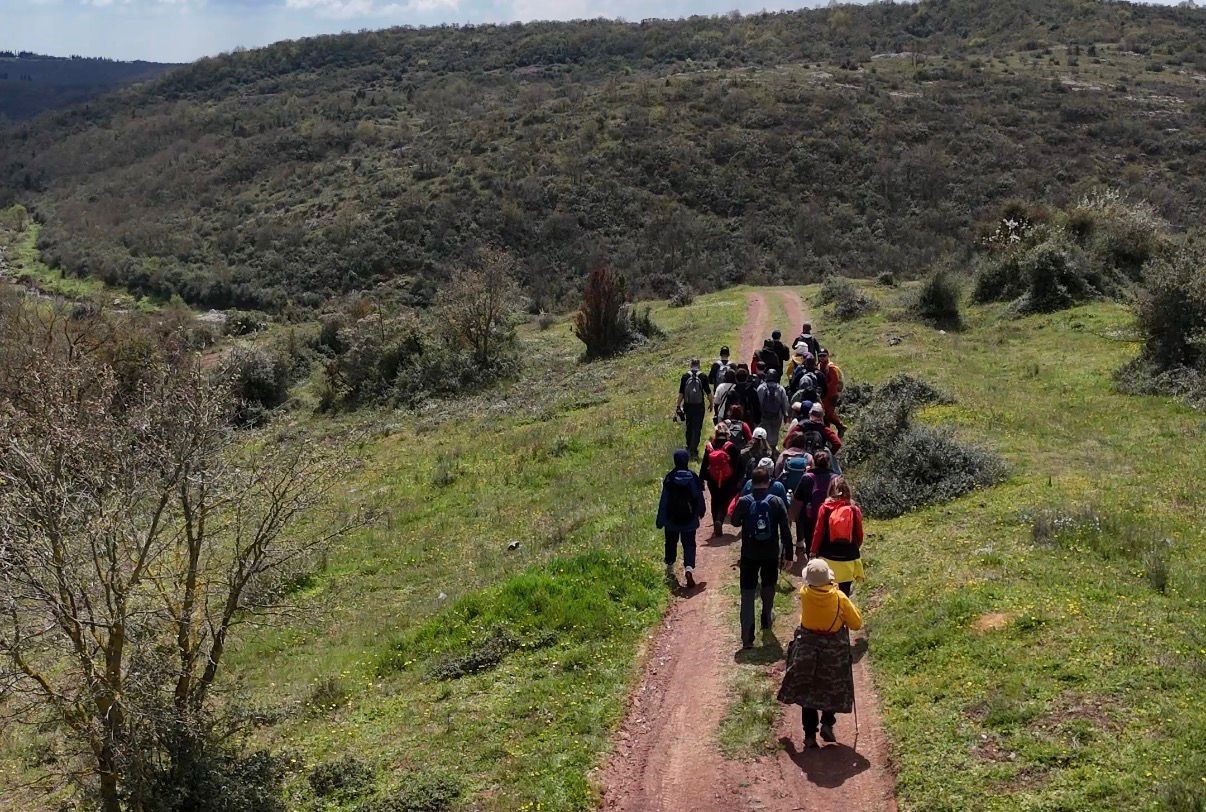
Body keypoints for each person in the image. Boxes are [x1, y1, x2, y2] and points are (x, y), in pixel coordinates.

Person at [777, 558, 863, 749]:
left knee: (808, 690)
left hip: (808, 647)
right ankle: (827, 723)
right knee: (831, 687)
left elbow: (810, 586)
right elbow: (856, 623)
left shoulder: (805, 593)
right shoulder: (839, 597)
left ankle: (809, 735)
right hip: (833, 650)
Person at [728, 468, 794, 649]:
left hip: (749, 554)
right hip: (770, 554)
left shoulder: (744, 501)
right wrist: (789, 554)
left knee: (747, 593)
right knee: (768, 586)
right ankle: (766, 616)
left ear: (752, 482)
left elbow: (734, 521)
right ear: (768, 482)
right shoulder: (776, 501)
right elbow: (786, 531)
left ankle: (747, 639)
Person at [656, 449, 706, 588]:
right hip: (689, 520)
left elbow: (664, 501)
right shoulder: (693, 477)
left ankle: (670, 568)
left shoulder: (670, 478)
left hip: (671, 520)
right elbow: (698, 497)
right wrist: (700, 512)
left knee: (670, 543)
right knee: (689, 544)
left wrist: (660, 520)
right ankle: (689, 568)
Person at [810, 476, 864, 596]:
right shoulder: (854, 509)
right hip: (848, 556)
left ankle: (829, 612)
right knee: (844, 592)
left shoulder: (825, 508)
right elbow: (859, 534)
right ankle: (842, 612)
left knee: (827, 591)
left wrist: (813, 551)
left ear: (830, 490)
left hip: (827, 555)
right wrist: (856, 547)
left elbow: (818, 532)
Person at [789, 449, 834, 551]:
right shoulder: (835, 478)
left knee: (811, 547)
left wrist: (792, 516)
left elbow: (797, 499)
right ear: (828, 463)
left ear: (813, 462)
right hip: (830, 519)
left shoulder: (807, 477)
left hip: (810, 519)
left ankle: (812, 563)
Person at [699, 423, 739, 537]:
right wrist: (736, 480)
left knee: (715, 499)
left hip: (712, 479)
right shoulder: (731, 447)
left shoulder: (710, 446)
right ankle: (720, 520)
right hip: (728, 479)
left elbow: (704, 464)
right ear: (727, 434)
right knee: (724, 500)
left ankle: (715, 519)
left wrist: (702, 478)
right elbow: (737, 465)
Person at [677, 358, 712, 460]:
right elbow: (708, 393)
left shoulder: (685, 376)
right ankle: (694, 450)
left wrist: (678, 406)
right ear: (699, 365)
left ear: (690, 365)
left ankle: (688, 447)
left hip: (688, 405)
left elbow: (681, 393)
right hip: (699, 406)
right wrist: (711, 403)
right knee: (697, 428)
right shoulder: (703, 376)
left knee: (689, 426)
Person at [756, 369, 791, 448]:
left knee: (765, 431)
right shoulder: (780, 389)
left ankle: (765, 447)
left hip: (764, 416)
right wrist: (785, 415)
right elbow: (785, 403)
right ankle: (773, 446)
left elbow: (758, 402)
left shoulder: (761, 388)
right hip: (777, 415)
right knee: (775, 432)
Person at [817, 349, 847, 436]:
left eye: (824, 355)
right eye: (820, 356)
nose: (822, 357)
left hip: (831, 394)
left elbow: (834, 381)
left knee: (829, 413)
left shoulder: (830, 367)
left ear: (827, 356)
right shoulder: (820, 365)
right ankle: (827, 433)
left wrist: (825, 387)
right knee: (825, 414)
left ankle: (840, 426)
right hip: (824, 394)